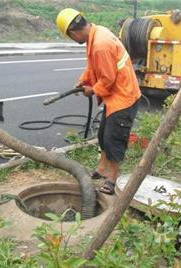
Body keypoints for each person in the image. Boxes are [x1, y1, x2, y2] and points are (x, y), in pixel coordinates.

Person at [56, 8, 141, 194]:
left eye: (69, 37)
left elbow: (108, 79)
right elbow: (94, 66)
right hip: (115, 97)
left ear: (72, 32)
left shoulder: (100, 45)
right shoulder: (95, 34)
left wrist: (92, 90)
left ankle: (112, 179)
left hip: (123, 97)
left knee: (114, 138)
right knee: (103, 134)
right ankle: (103, 169)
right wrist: (84, 79)